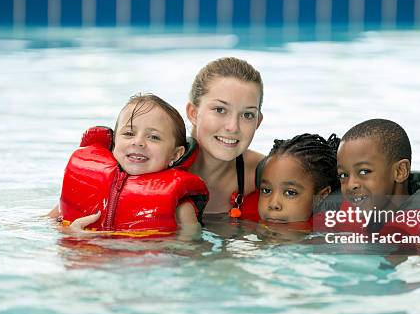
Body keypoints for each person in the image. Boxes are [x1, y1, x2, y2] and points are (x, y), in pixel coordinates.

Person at [50, 94, 209, 241]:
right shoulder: (83, 188)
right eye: (128, 133)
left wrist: (101, 243)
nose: (138, 142)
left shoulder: (181, 208)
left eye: (153, 137)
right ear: (113, 144)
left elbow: (188, 251)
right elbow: (45, 224)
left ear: (175, 155)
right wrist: (67, 232)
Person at [336, 118, 420, 240]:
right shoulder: (364, 218)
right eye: (343, 175)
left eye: (364, 171)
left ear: (400, 171)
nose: (350, 185)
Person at [185, 57, 265, 217]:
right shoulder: (156, 164)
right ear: (193, 113)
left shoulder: (264, 174)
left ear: (258, 122)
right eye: (220, 110)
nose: (233, 127)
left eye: (247, 115)